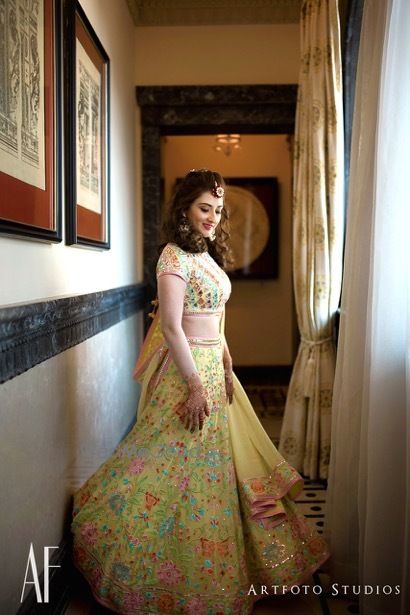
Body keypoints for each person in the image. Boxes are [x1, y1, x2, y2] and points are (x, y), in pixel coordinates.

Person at [71, 169, 330, 614]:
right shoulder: (173, 257)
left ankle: (217, 559)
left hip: (213, 369)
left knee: (214, 467)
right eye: (204, 209)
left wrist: (227, 366)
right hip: (185, 374)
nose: (212, 218)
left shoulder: (206, 255)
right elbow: (172, 327)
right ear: (184, 210)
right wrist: (193, 386)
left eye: (217, 210)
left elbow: (216, 320)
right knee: (169, 463)